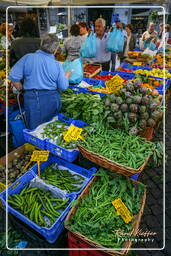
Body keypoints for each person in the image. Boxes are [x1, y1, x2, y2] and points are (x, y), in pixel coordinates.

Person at [8, 34, 71, 130]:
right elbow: (63, 86)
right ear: (55, 50)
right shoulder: (56, 65)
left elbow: (13, 76)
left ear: (41, 44)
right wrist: (66, 76)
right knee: (50, 129)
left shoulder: (28, 58)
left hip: (33, 99)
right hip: (52, 99)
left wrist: (21, 88)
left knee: (35, 131)